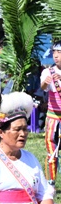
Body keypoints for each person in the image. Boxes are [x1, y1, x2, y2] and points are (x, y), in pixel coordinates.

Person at [40, 41, 61, 183]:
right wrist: (46, 82)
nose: (56, 56)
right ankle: (51, 182)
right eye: (54, 53)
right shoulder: (48, 71)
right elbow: (43, 87)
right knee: (51, 149)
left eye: (59, 53)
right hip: (53, 115)